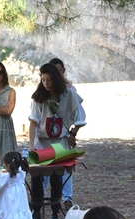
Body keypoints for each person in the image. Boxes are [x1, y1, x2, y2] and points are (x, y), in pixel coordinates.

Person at [27, 63, 80, 219]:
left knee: (57, 178)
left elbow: (80, 115)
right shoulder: (38, 98)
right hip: (41, 143)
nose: (46, 83)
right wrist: (31, 145)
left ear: (56, 79)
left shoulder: (68, 94)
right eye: (43, 80)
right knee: (36, 177)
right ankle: (36, 211)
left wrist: (73, 134)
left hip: (60, 143)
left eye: (49, 80)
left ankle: (55, 212)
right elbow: (33, 122)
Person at [50, 58, 86, 207]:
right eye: (54, 71)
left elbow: (78, 114)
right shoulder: (45, 91)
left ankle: (67, 198)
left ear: (63, 71)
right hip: (48, 138)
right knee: (45, 171)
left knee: (65, 168)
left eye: (59, 70)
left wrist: (73, 134)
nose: (57, 74)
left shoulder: (70, 91)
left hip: (63, 136)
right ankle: (40, 206)